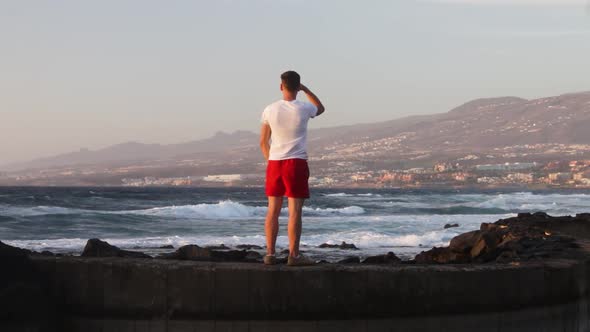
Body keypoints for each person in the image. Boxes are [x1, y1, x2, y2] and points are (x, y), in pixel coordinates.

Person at [259, 71, 325, 266]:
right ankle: (293, 256)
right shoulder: (304, 107)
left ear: (281, 86)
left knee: (273, 210)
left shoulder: (269, 109)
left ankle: (270, 254)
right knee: (295, 211)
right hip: (296, 162)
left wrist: (272, 159)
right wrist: (306, 89)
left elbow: (263, 141)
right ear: (298, 87)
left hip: (275, 163)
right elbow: (320, 108)